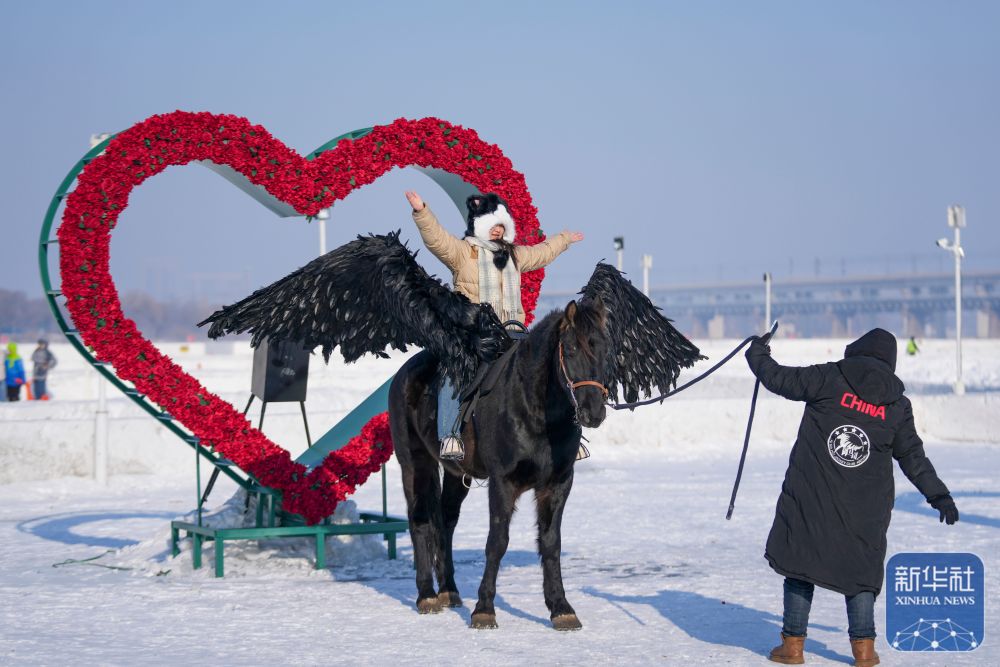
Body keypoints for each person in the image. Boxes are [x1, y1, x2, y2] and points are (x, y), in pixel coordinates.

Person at [745, 328, 958, 666]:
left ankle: (793, 647)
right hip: (865, 507)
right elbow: (913, 457)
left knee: (800, 564)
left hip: (812, 495)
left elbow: (778, 378)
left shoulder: (829, 377)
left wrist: (757, 353)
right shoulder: (897, 405)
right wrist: (939, 495)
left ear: (857, 350)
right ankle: (864, 651)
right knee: (861, 572)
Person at [406, 190, 583, 459]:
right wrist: (422, 212)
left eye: (501, 225)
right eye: (492, 225)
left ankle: (568, 435)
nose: (497, 230)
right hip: (476, 333)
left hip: (513, 332)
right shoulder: (463, 253)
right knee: (455, 370)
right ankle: (449, 435)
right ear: (479, 225)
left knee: (552, 368)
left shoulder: (515, 255)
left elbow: (542, 252)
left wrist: (564, 239)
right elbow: (437, 240)